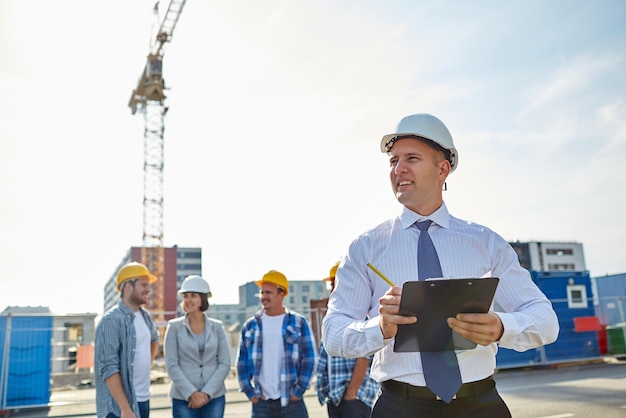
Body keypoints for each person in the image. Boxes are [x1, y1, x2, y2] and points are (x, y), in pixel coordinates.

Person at [322, 113, 560, 418]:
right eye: (393, 161)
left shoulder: (487, 243)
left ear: (443, 168)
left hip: (480, 406)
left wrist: (501, 327)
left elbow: (545, 321)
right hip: (399, 408)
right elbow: (333, 333)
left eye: (412, 158)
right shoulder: (365, 248)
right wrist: (379, 327)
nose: (399, 168)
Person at [236, 270, 317, 418]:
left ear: (282, 294)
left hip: (292, 402)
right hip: (261, 403)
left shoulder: (299, 323)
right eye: (262, 293)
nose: (264, 297)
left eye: (268, 293)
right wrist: (249, 392)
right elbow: (241, 362)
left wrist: (298, 391)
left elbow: (310, 358)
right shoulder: (251, 326)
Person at [95, 262, 160, 418]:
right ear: (128, 287)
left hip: (143, 399)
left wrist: (146, 365)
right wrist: (125, 408)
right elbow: (108, 367)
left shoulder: (145, 316)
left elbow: (155, 340)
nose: (148, 289)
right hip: (119, 409)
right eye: (144, 285)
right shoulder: (111, 320)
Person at [316, 261, 379, 418]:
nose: (332, 288)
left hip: (355, 399)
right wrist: (325, 391)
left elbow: (363, 359)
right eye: (331, 284)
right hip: (335, 398)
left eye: (334, 283)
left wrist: (351, 394)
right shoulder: (332, 318)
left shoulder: (361, 314)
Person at [164, 275, 231, 418]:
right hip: (184, 398)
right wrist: (192, 394)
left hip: (214, 397)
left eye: (193, 296)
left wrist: (207, 393)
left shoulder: (217, 327)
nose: (188, 300)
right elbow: (171, 364)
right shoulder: (174, 327)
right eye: (186, 296)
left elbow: (224, 363)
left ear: (203, 298)